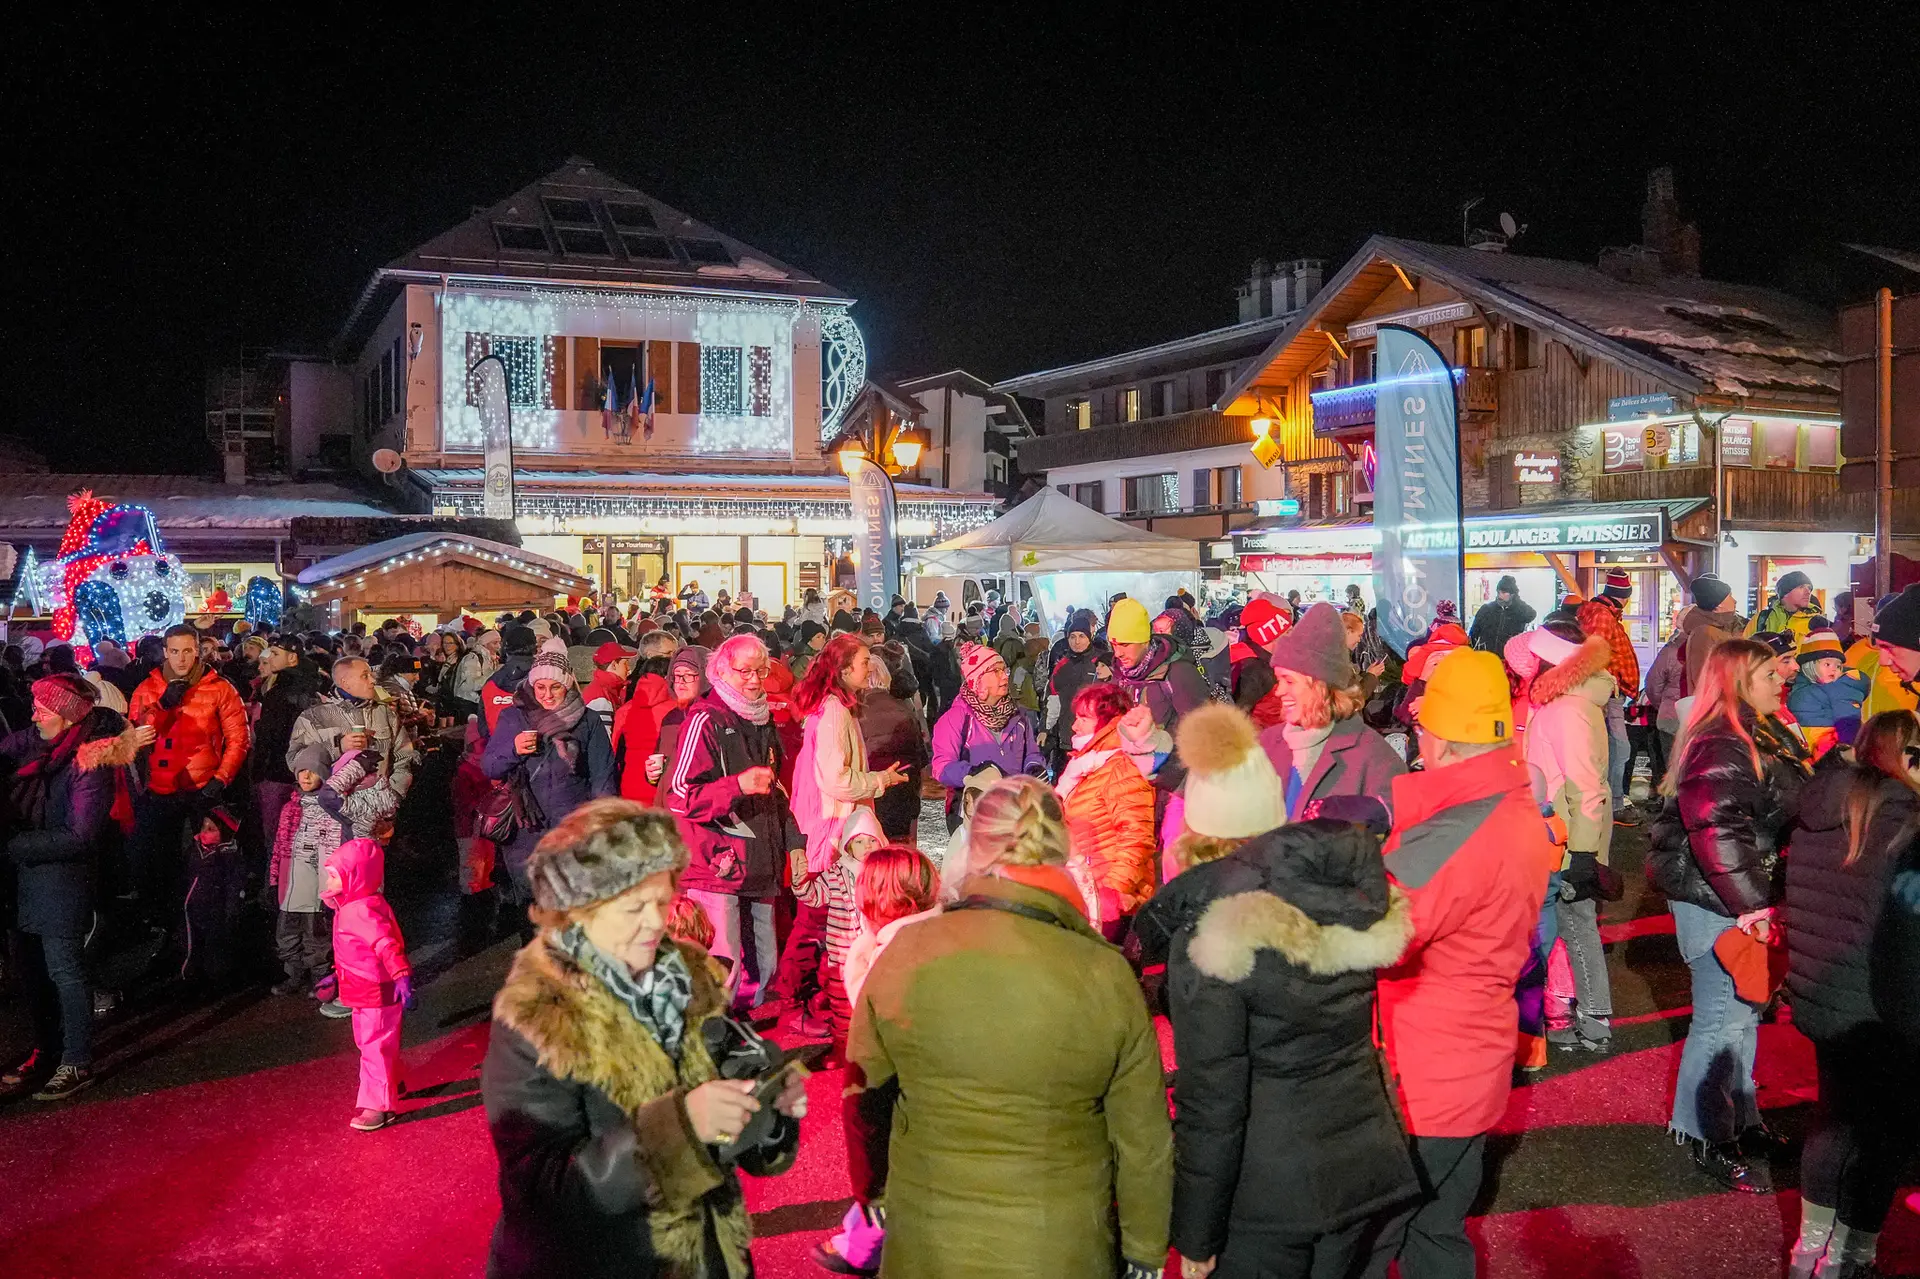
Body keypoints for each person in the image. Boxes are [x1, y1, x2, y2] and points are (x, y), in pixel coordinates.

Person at [845, 775, 1172, 1279]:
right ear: (1060, 850)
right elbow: (1142, 1140)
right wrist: (1145, 1253)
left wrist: (879, 1196)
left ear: (976, 847)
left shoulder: (905, 953)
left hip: (930, 1238)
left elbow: (865, 1101)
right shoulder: (1103, 973)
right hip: (1059, 1245)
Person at [482, 800, 804, 1278]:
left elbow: (728, 1111)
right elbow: (543, 1189)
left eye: (662, 900)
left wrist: (767, 1112)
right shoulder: (539, 1017)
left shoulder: (691, 979)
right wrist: (680, 1128)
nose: (656, 922)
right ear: (580, 913)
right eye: (635, 907)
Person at [1147, 781, 1418, 1279]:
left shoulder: (1215, 940)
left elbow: (1213, 1102)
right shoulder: (1334, 901)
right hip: (1359, 1165)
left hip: (1266, 1194)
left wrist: (1195, 1234)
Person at [1366, 649, 1560, 1279]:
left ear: (1442, 736)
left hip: (1423, 1076)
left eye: (1422, 724)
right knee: (1437, 1233)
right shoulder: (1513, 807)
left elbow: (1378, 935)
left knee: (1372, 1239)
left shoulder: (1455, 834)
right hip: (1470, 1058)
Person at [1647, 639, 1810, 1192]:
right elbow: (1717, 829)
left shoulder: (1758, 730)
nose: (1781, 678)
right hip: (1719, 901)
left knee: (1742, 1018)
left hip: (1741, 897)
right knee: (1720, 1020)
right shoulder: (1723, 741)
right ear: (1740, 679)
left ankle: (1742, 1121)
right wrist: (1752, 906)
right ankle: (1703, 1132)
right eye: (1769, 671)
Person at [1783, 710, 1920, 1279]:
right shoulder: (1907, 822)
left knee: (1834, 1117)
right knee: (1884, 1133)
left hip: (1822, 994)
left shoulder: (1820, 809)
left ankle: (1808, 1247)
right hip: (1885, 1007)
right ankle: (1850, 1255)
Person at [1, 676, 135, 1101]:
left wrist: (12, 846)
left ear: (65, 717)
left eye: (43, 709)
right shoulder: (41, 744)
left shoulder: (88, 764)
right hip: (23, 880)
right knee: (33, 975)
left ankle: (76, 1060)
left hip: (61, 882)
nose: (34, 715)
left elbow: (80, 835)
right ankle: (46, 1050)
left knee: (65, 973)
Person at [814, 844, 942, 1278]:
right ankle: (859, 1233)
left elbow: (869, 1078)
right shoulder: (936, 934)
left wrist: (868, 1188)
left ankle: (867, 1239)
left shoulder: (886, 959)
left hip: (914, 1093)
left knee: (894, 1169)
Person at [666, 635, 804, 1014]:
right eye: (745, 671)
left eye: (761, 671)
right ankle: (714, 1042)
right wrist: (737, 786)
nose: (755, 680)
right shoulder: (704, 718)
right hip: (717, 866)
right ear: (721, 671)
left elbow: (776, 791)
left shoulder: (761, 718)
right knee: (722, 968)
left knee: (763, 967)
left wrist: (794, 842)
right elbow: (679, 795)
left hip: (759, 862)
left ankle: (743, 1036)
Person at [1516, 624, 1617, 1051]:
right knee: (1569, 925)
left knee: (1573, 926)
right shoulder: (1571, 705)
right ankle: (1578, 1013)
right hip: (1564, 832)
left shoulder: (1565, 710)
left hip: (1565, 836)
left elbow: (1586, 785)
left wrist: (1581, 852)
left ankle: (1594, 1019)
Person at [127, 624, 251, 930]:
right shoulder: (148, 687)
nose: (181, 658)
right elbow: (136, 733)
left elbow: (239, 739)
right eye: (174, 651)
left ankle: (204, 926)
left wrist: (221, 779)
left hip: (203, 789)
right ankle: (167, 925)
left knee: (205, 863)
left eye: (187, 650)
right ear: (165, 652)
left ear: (197, 650)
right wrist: (164, 706)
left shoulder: (219, 687)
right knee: (160, 863)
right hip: (161, 788)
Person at [482, 648, 618, 911]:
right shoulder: (514, 717)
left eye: (555, 687)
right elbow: (490, 767)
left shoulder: (587, 720)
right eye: (540, 687)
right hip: (526, 831)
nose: (546, 695)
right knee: (532, 910)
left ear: (567, 685)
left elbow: (603, 775)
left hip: (572, 829)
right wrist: (514, 749)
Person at [1257, 602, 1405, 822]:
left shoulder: (1375, 759)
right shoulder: (1266, 744)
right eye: (1279, 680)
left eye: (1289, 681)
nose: (1279, 691)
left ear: (1320, 686)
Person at [321, 837, 413, 1131]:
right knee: (372, 1043)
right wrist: (337, 974)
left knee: (373, 1045)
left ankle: (379, 1106)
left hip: (375, 991)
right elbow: (358, 951)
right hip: (363, 990)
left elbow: (385, 944)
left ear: (355, 875)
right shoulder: (355, 906)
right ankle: (391, 1082)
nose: (328, 879)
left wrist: (401, 975)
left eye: (335, 873)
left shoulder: (359, 910)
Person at [1056, 682, 1159, 938]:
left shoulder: (1121, 766)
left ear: (1109, 722)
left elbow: (1136, 835)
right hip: (1090, 891)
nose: (1074, 725)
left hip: (1114, 901)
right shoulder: (1086, 765)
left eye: (1084, 718)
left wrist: (1114, 892)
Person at [790, 807, 886, 1048]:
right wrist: (800, 882)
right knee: (843, 1010)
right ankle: (844, 1049)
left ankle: (871, 1049)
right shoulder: (836, 874)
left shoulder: (883, 873)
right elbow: (814, 895)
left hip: (875, 956)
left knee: (874, 1003)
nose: (866, 847)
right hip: (842, 958)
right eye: (859, 841)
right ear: (848, 846)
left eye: (871, 840)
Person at [929, 641, 1046, 831]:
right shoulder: (955, 719)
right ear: (978, 680)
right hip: (972, 811)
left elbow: (1031, 752)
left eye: (1004, 670)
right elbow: (941, 768)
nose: (1005, 677)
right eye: (996, 671)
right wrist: (972, 772)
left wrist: (1034, 767)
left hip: (1013, 809)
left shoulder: (1017, 716)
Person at [286, 654, 420, 800]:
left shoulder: (385, 714)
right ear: (345, 682)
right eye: (365, 676)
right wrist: (338, 746)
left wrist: (392, 796)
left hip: (378, 810)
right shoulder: (314, 717)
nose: (373, 680)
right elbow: (294, 760)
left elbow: (404, 757)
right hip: (331, 812)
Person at [1579, 572, 1640, 821]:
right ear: (1623, 597)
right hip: (1609, 693)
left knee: (1610, 748)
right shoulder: (1603, 617)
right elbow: (1594, 657)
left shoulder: (1602, 614)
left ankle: (1607, 801)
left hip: (1610, 691)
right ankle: (1613, 804)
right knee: (1620, 747)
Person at [1788, 625, 1869, 759]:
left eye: (1838, 666)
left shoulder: (1840, 689)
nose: (1833, 670)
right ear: (1810, 665)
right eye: (1827, 664)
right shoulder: (1798, 687)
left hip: (1827, 752)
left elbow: (1848, 723)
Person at [1682, 573, 1746, 691]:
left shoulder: (1729, 626)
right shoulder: (1704, 633)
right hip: (1716, 703)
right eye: (1730, 596)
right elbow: (1702, 676)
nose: (1735, 600)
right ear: (1719, 604)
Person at [1747, 569, 1823, 644]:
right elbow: (1744, 650)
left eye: (1809, 588)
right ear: (1785, 592)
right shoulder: (1761, 619)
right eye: (1801, 587)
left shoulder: (1818, 622)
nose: (1808, 592)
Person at [1469, 574, 1536, 655]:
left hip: (1508, 657)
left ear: (1512, 594)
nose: (1500, 595)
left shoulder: (1519, 611)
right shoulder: (1486, 609)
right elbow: (1473, 633)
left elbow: (1532, 614)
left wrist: (1516, 602)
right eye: (1498, 592)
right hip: (1485, 656)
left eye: (1504, 592)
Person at [445, 628, 501, 723]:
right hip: (467, 704)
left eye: (499, 642)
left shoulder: (492, 659)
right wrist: (494, 673)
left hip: (479, 702)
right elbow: (471, 685)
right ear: (485, 644)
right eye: (495, 643)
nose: (499, 646)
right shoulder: (472, 659)